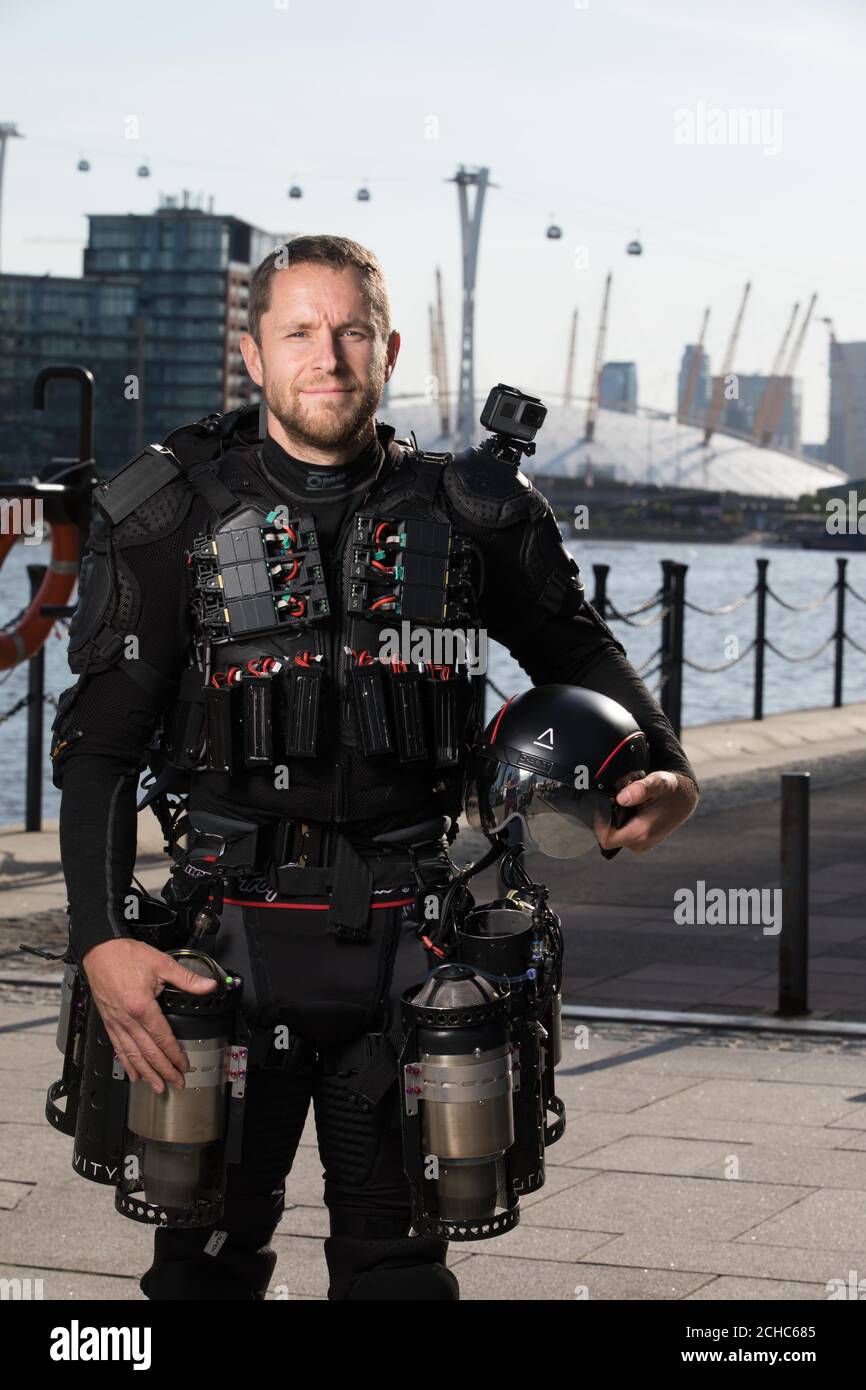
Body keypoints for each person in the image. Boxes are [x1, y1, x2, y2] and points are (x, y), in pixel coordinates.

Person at [50, 234, 700, 1301]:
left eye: (350, 331)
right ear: (251, 355)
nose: (329, 356)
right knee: (198, 1273)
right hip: (224, 946)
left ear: (387, 348)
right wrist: (98, 943)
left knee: (398, 1276)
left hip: (416, 945)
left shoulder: (473, 514)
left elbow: (579, 652)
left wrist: (663, 767)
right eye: (299, 332)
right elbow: (100, 750)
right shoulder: (166, 515)